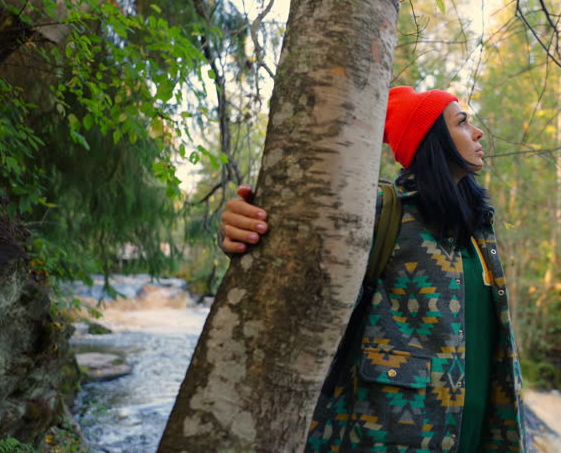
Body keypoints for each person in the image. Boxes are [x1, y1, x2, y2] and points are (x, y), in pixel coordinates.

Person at [220, 86, 526, 452]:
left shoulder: (479, 229)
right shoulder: (380, 211)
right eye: (462, 123)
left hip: (481, 438)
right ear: (431, 141)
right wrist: (239, 225)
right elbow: (290, 255)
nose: (477, 133)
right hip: (392, 439)